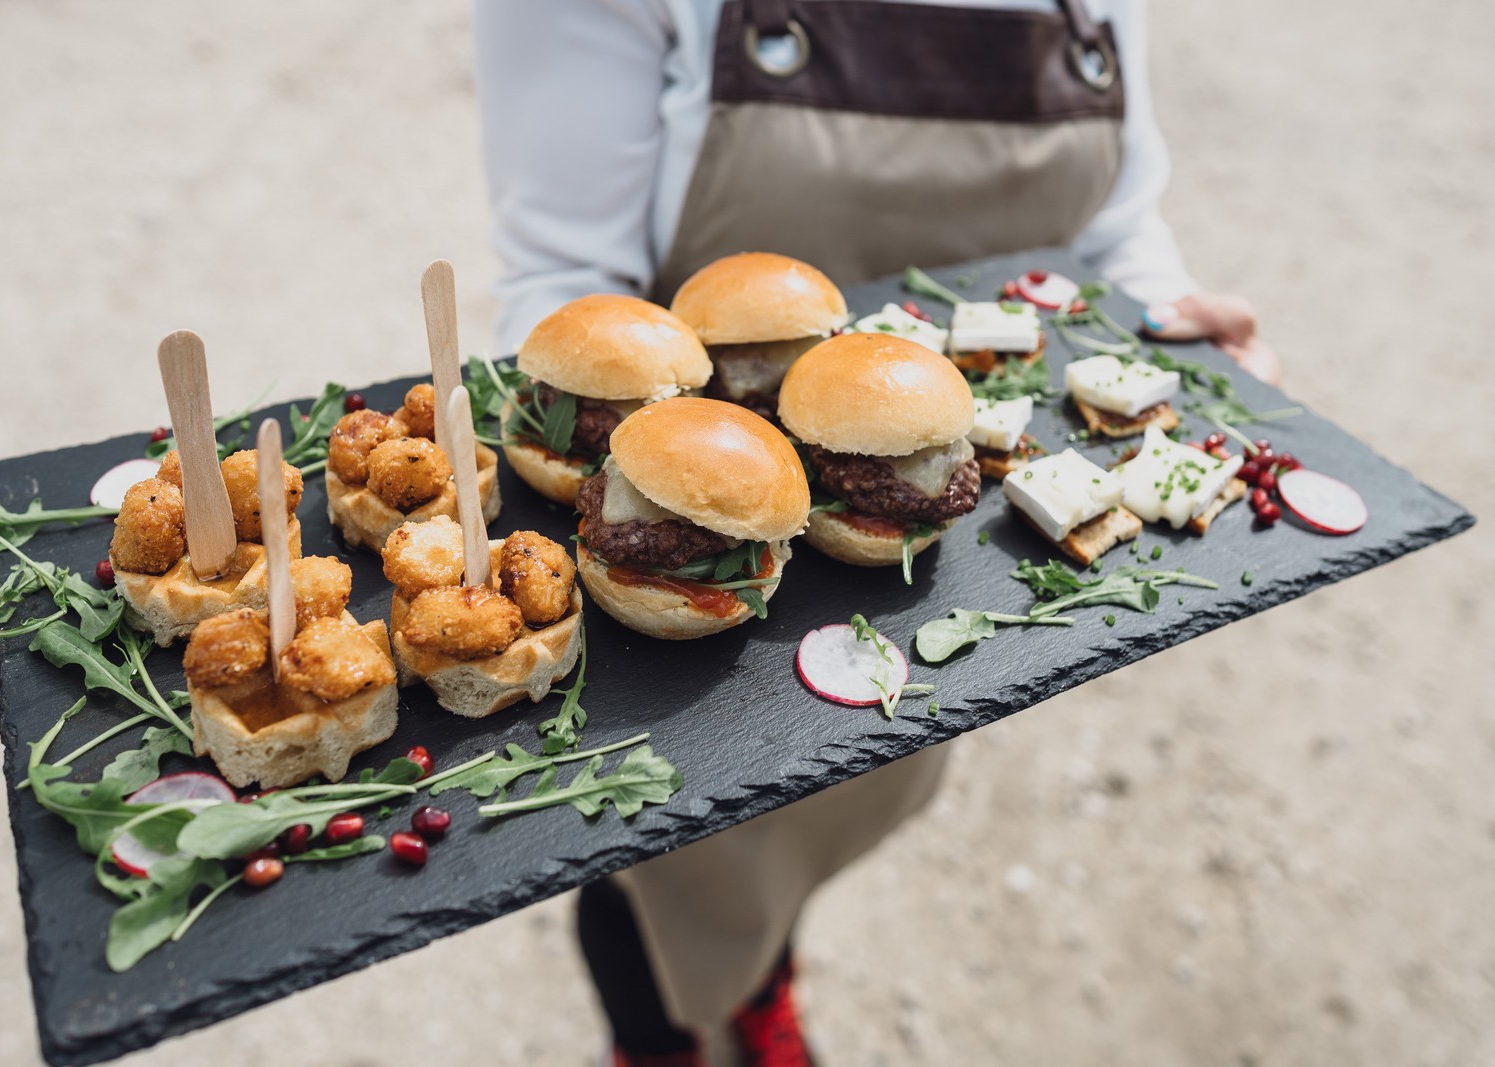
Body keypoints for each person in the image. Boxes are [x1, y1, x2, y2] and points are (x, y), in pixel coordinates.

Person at [474, 2, 1281, 1064]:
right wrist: (667, 459)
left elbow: (1112, 224)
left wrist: (1174, 327)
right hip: (691, 475)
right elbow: (557, 277)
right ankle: (659, 1036)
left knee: (839, 786)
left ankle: (762, 982)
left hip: (912, 553)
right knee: (661, 838)